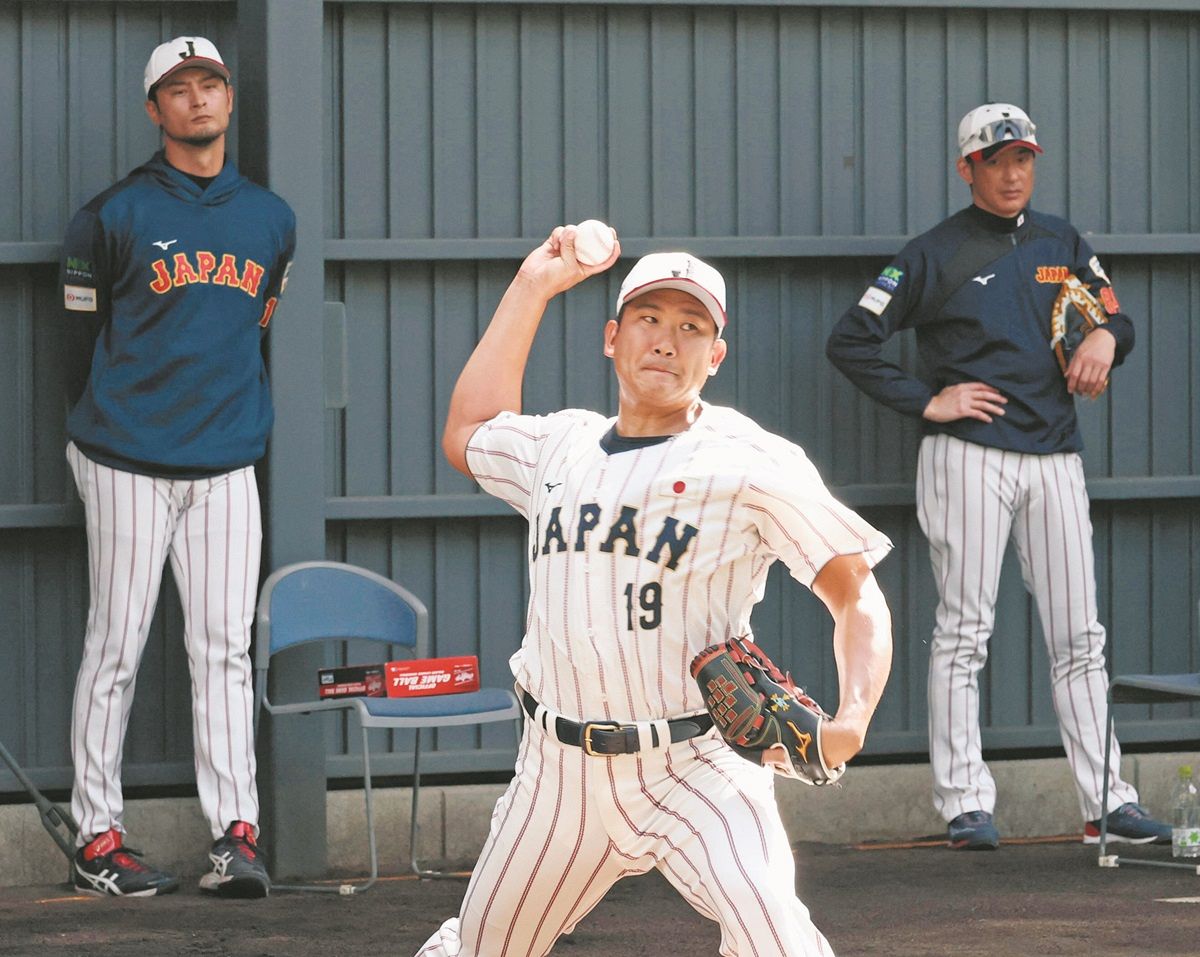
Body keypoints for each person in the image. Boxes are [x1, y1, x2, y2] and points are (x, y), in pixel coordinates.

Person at [418, 226, 894, 956]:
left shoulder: (751, 462)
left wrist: (854, 716)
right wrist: (533, 285)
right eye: (649, 319)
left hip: (696, 765)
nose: (666, 341)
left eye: (690, 326)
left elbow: (855, 590)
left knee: (780, 942)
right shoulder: (560, 446)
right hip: (558, 771)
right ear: (613, 337)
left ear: (716, 354)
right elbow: (469, 430)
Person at [825, 103, 1171, 851]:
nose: (1013, 173)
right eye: (997, 160)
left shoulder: (1060, 241)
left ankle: (1107, 802)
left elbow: (1118, 315)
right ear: (967, 168)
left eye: (1024, 158)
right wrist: (927, 398)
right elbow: (851, 339)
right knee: (964, 631)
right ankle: (964, 803)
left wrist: (1107, 338)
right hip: (969, 454)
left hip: (1055, 455)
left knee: (1081, 634)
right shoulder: (933, 253)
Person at [60, 36, 296, 897]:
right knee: (116, 643)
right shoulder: (112, 214)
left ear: (230, 100)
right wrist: (112, 425)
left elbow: (255, 325)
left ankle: (237, 834)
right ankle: (97, 837)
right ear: (154, 110)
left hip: (227, 461)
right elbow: (78, 337)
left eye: (211, 84)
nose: (197, 99)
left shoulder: (271, 219)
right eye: (178, 89)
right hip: (124, 454)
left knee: (223, 650)